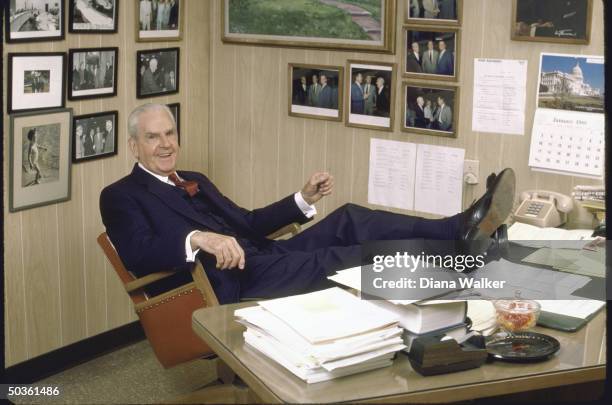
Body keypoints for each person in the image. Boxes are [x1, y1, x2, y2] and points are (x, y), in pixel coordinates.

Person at [100, 104, 516, 304]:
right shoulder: (121, 196)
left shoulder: (194, 179)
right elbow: (138, 252)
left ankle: (456, 227)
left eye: (170, 133)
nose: (166, 144)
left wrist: (303, 199)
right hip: (227, 282)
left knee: (351, 217)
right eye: (154, 137)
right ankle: (462, 256)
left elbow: (247, 221)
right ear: (135, 145)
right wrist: (198, 238)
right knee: (343, 257)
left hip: (266, 254)